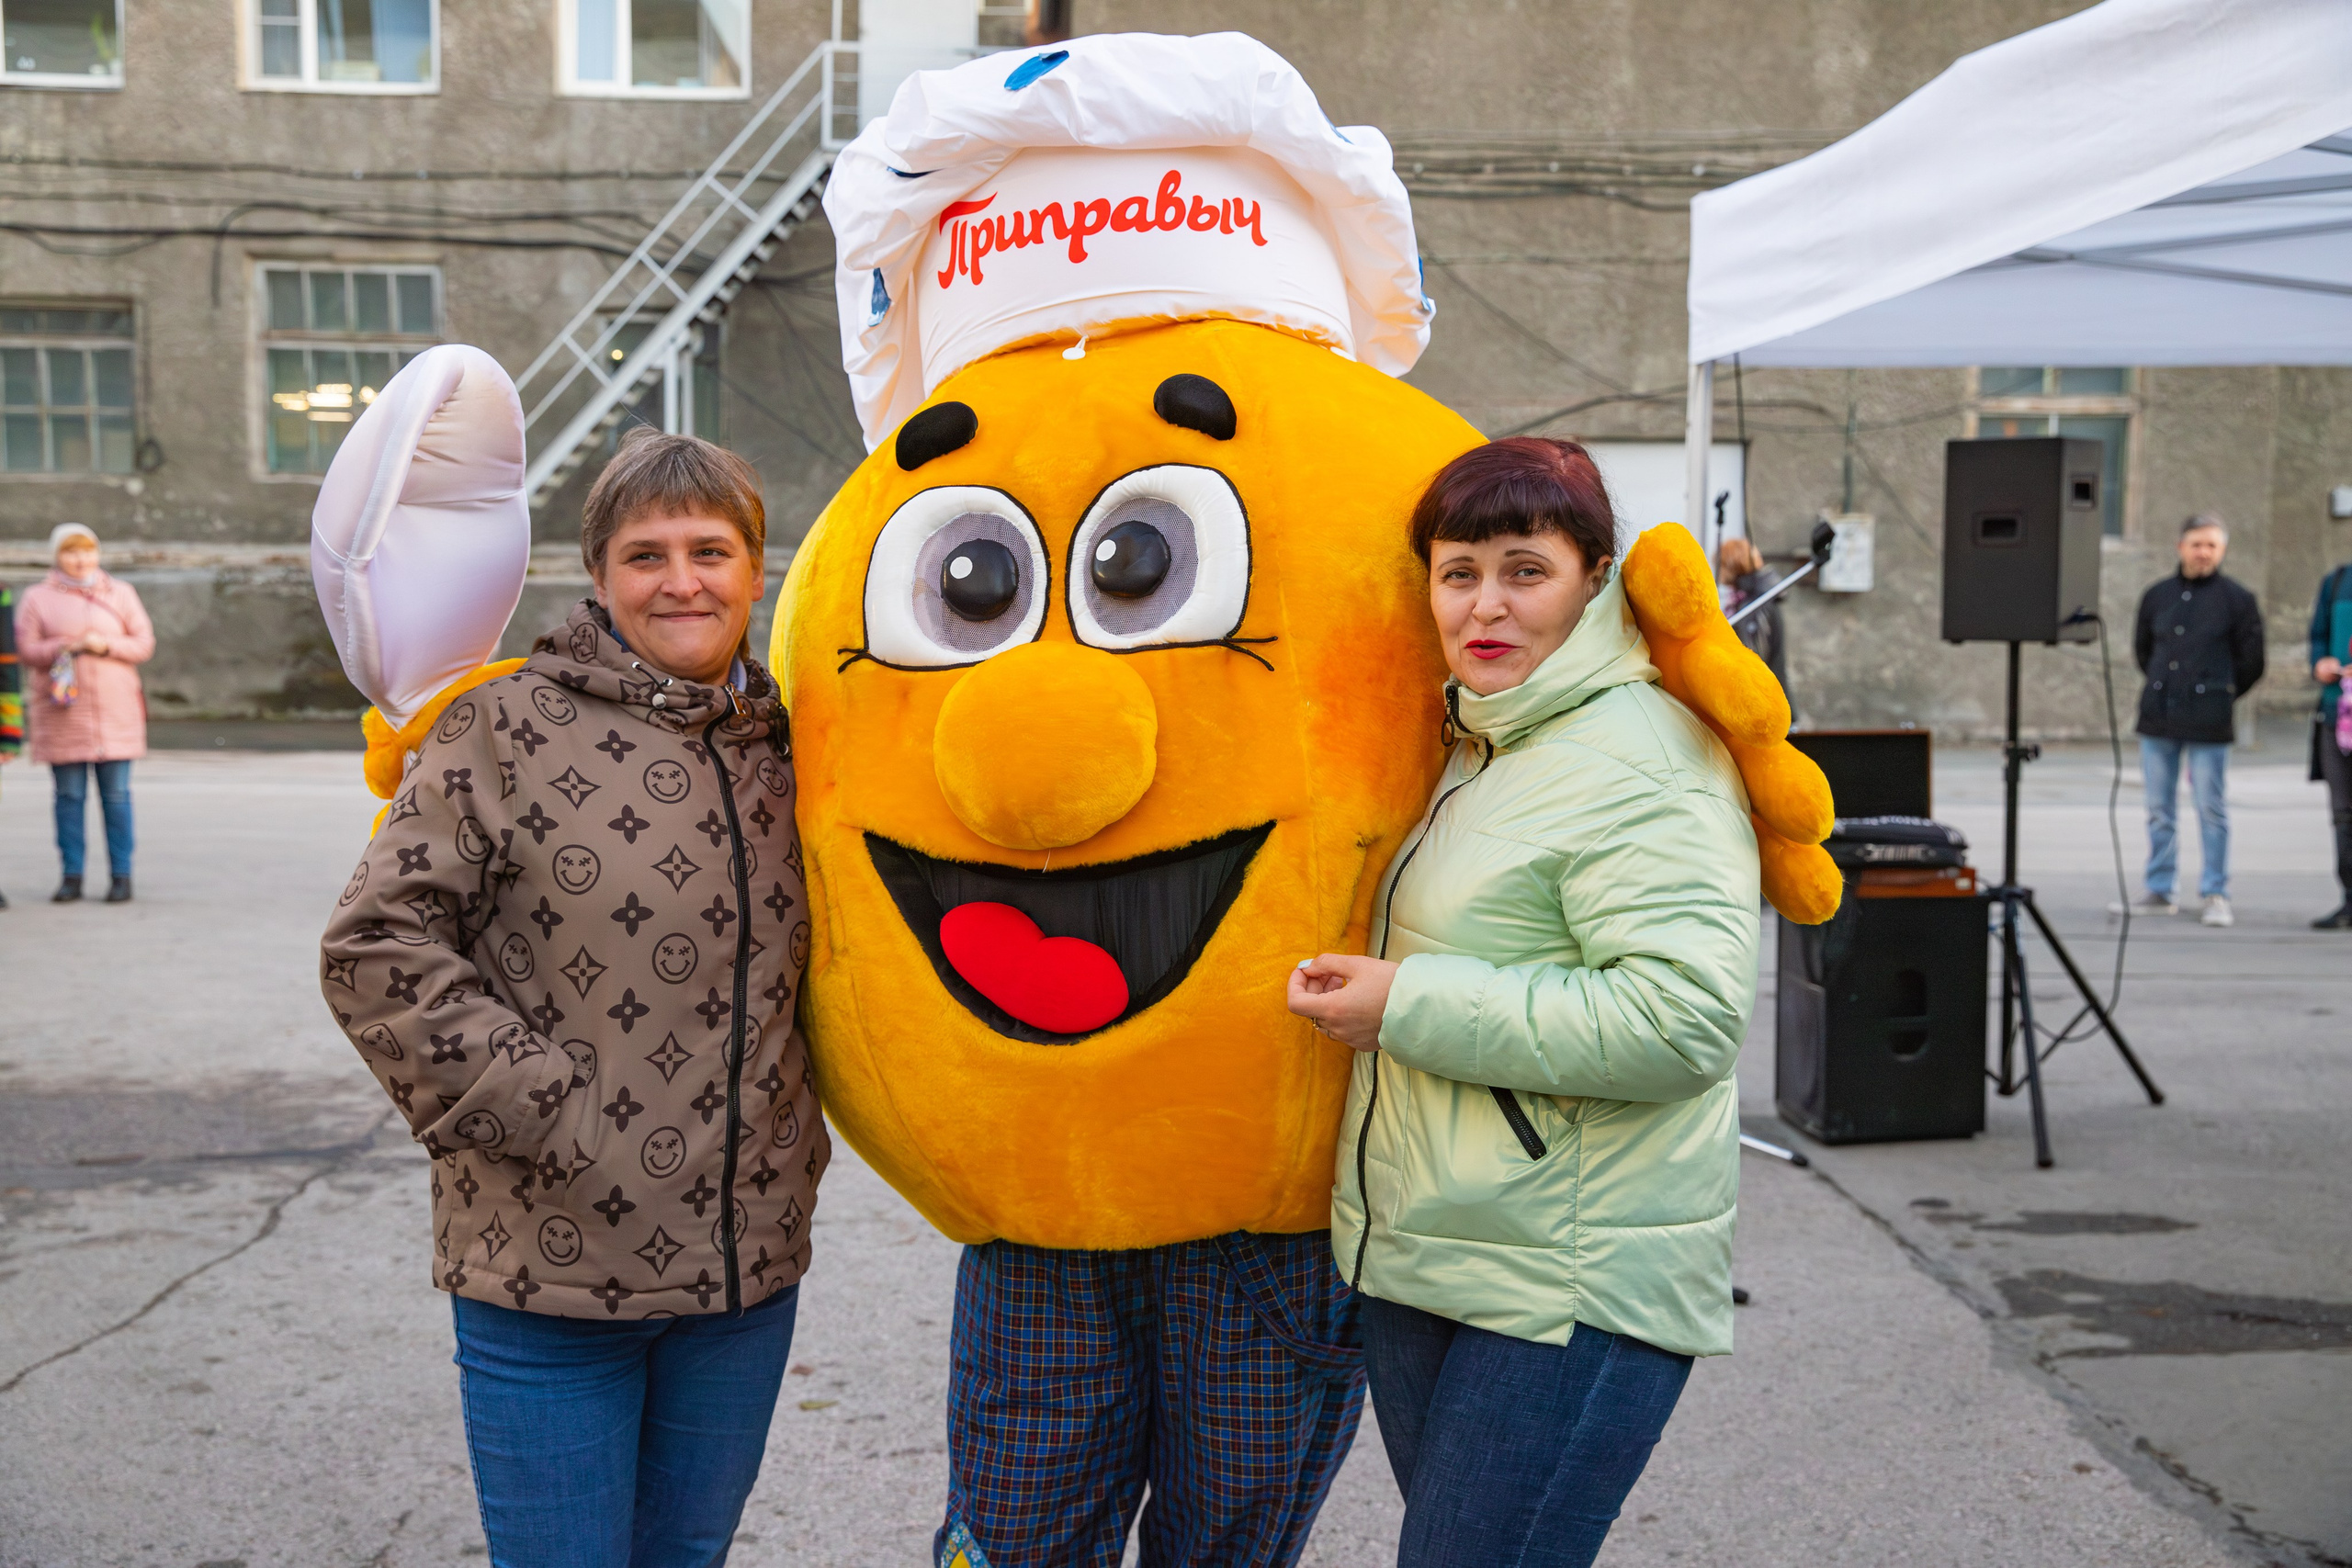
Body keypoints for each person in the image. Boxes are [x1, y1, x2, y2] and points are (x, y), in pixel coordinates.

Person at [321, 431, 827, 1568]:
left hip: (743, 1272)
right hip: (546, 1261)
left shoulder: (795, 743)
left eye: (711, 550)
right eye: (646, 555)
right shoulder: (500, 726)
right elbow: (375, 944)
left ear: (758, 569)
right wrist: (556, 1113)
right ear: (597, 577)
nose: (682, 581)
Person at [1291, 437, 1760, 1568]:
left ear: (1593, 577)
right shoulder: (1484, 736)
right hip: (1440, 1255)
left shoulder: (1642, 755)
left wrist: (1406, 1003)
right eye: (1459, 573)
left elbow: (1681, 1018)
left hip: (1571, 1282)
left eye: (1524, 569)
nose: (1486, 605)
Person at [2127, 513, 2263, 929]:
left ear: (2221, 551)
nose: (2203, 552)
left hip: (2210, 720)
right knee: (2158, 809)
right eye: (2196, 544)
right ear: (2180, 546)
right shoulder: (2157, 595)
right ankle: (2160, 889)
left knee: (2211, 809)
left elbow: (2252, 662)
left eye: (2212, 546)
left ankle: (2215, 892)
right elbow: (2142, 650)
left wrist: (2219, 693)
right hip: (2159, 718)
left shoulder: (2238, 600)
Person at [12, 523, 155, 904]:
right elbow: (25, 649)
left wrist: (104, 645)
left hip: (115, 711)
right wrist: (67, 645)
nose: (80, 559)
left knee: (117, 796)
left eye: (88, 550)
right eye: (71, 552)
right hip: (63, 714)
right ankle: (71, 876)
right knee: (69, 796)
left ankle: (121, 876)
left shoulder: (121, 593)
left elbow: (143, 644)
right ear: (56, 556)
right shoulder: (37, 597)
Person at [2309, 549, 2352, 929]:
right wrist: (2319, 662)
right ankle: (2350, 900)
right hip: (2337, 715)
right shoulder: (2337, 580)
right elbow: (2319, 635)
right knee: (2343, 814)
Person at [1717, 535, 1789, 703]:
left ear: (1732, 564)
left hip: (1761, 701)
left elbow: (1753, 660)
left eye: (1721, 564)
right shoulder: (1746, 601)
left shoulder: (1754, 606)